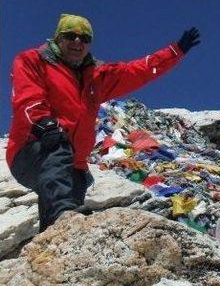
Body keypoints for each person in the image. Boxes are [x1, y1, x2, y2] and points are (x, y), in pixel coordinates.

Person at [6, 14, 201, 231]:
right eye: (70, 36)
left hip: (73, 163)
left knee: (70, 197)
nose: (77, 42)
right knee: (60, 182)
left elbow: (138, 71)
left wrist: (175, 51)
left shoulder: (98, 77)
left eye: (84, 38)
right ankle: (65, 218)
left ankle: (55, 244)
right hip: (34, 147)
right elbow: (27, 96)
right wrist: (43, 123)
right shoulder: (34, 60)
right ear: (57, 38)